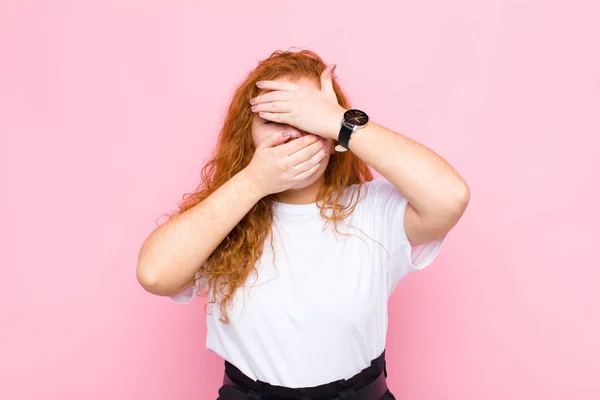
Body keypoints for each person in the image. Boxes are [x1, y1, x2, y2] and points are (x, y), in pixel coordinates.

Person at [136, 49, 470, 400]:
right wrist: (254, 182)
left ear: (334, 137)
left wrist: (341, 121)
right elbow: (155, 275)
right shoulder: (225, 214)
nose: (290, 136)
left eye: (307, 119)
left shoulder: (373, 209)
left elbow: (449, 196)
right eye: (273, 119)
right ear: (248, 134)